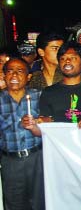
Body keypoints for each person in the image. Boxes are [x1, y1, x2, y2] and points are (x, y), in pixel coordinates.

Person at [1, 58, 45, 210]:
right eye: (9, 71)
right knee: (14, 203)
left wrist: (41, 121)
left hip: (37, 158)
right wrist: (20, 120)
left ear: (28, 77)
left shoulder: (39, 96)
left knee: (40, 201)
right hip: (10, 160)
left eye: (20, 71)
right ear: (4, 76)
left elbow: (50, 121)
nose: (14, 75)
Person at [35, 42, 81, 127]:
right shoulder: (48, 92)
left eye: (73, 58)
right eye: (63, 58)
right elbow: (43, 127)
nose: (67, 61)